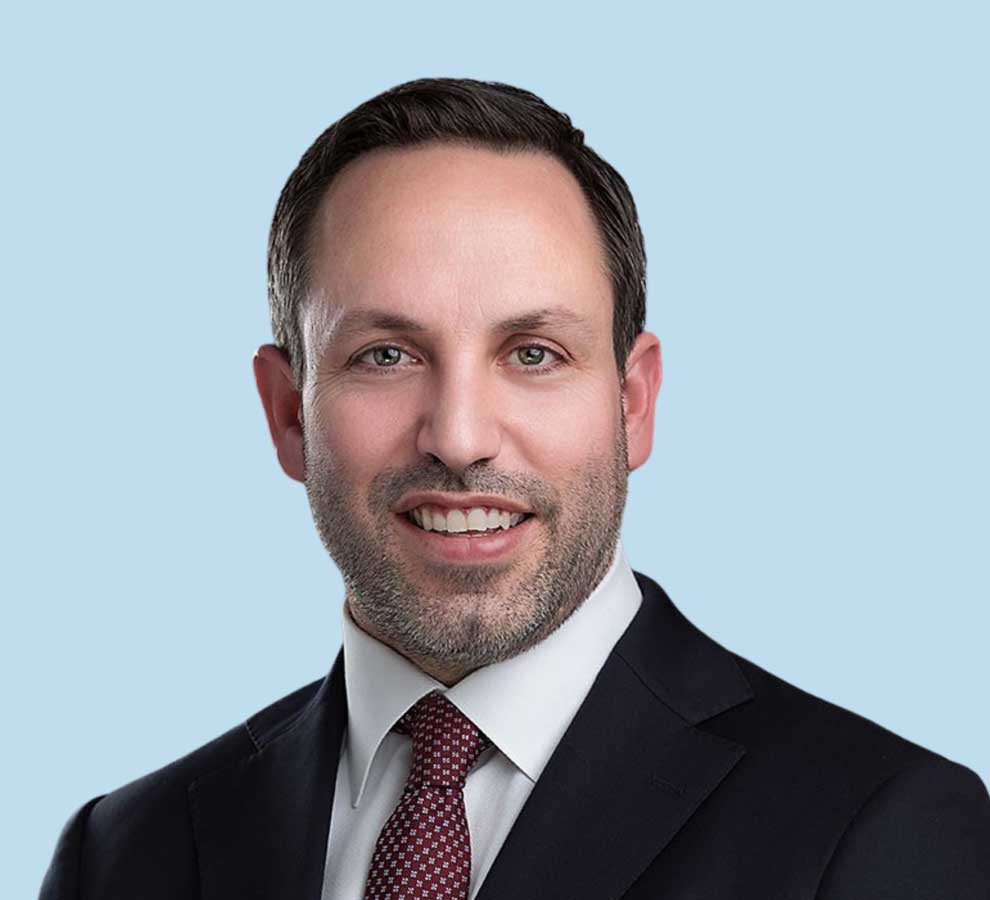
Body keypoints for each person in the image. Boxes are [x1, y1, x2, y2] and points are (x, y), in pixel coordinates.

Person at [40, 77, 989, 900]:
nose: (458, 437)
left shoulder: (878, 833)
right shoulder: (122, 859)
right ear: (289, 412)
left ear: (633, 403)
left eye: (533, 353)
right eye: (385, 355)